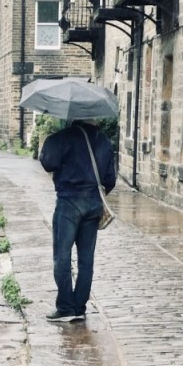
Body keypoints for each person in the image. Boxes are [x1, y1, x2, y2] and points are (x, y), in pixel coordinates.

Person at [39, 119, 116, 322]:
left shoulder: (64, 137)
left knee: (62, 255)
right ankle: (79, 307)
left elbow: (48, 162)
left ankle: (65, 307)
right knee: (86, 259)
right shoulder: (105, 142)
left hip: (69, 202)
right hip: (93, 204)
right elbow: (110, 180)